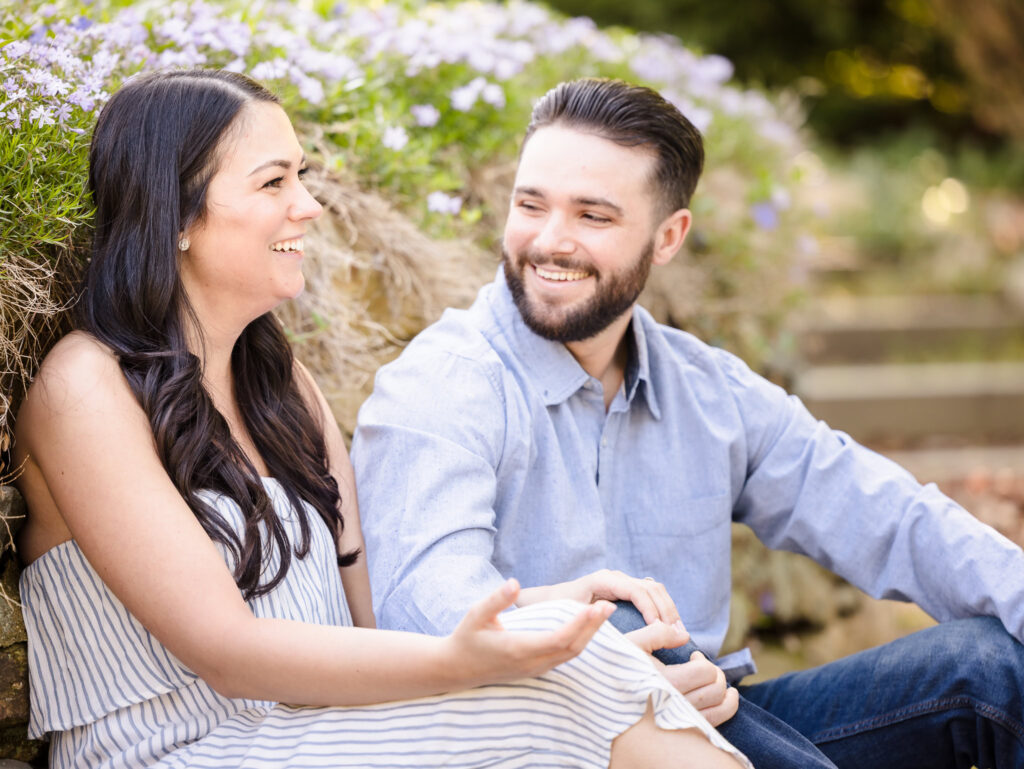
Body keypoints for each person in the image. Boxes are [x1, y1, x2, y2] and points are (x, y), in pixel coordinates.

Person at [11, 69, 752, 769]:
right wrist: (470, 665)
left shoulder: (280, 386)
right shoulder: (88, 386)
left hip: (312, 732)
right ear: (175, 212)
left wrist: (553, 615)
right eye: (274, 181)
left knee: (597, 665)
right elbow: (225, 650)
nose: (308, 204)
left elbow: (367, 634)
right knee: (580, 698)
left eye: (300, 175)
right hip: (177, 749)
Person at [352, 77, 1024, 768]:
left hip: (713, 722)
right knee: (617, 620)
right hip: (537, 743)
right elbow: (430, 612)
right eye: (531, 204)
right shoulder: (445, 384)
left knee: (993, 668)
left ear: (668, 236)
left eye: (593, 216)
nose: (550, 241)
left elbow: (889, 516)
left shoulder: (708, 390)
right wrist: (615, 688)